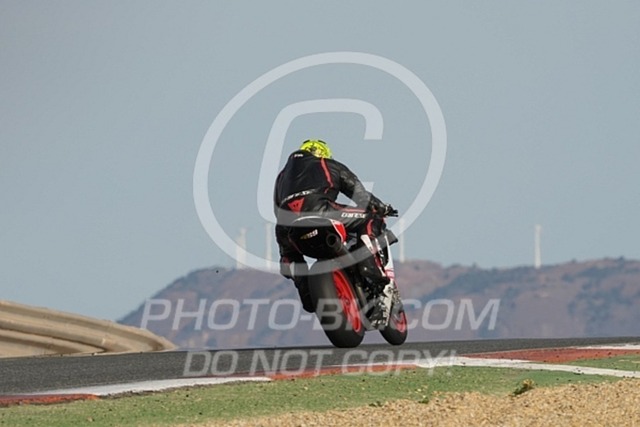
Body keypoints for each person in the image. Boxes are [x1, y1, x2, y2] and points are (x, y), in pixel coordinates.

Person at [273, 139, 396, 313]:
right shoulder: (328, 164)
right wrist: (381, 207)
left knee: (289, 256)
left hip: (286, 226)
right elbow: (361, 195)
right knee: (371, 217)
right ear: (323, 154)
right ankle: (369, 267)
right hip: (321, 211)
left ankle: (306, 293)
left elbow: (276, 209)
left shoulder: (282, 177)